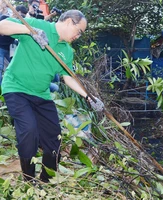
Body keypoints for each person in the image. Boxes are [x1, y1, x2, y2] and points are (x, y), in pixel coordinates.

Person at [0, 9, 104, 183]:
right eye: (79, 31)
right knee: (29, 132)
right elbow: (2, 26)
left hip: (41, 95)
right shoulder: (37, 25)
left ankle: (46, 181)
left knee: (54, 138)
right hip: (17, 89)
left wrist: (89, 97)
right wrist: (30, 32)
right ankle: (29, 180)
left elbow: (69, 77)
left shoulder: (66, 51)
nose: (78, 36)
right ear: (70, 21)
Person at [0, 1, 14, 84]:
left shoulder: (12, 11)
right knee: (0, 67)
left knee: (12, 67)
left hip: (10, 47)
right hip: (1, 46)